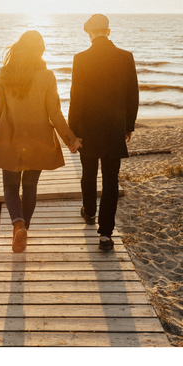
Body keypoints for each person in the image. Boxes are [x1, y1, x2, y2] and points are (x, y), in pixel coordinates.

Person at [0, 30, 81, 253]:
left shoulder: (4, 74)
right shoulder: (48, 76)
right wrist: (71, 140)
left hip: (10, 138)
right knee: (30, 186)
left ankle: (18, 224)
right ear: (40, 50)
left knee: (9, 185)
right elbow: (55, 114)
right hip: (39, 141)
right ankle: (24, 227)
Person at [68, 14, 139, 251]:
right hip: (114, 128)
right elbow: (132, 95)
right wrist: (128, 126)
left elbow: (75, 98)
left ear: (89, 34)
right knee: (110, 180)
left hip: (88, 129)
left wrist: (73, 132)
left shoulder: (81, 59)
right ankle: (106, 234)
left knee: (88, 173)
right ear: (108, 32)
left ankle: (89, 211)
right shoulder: (125, 57)